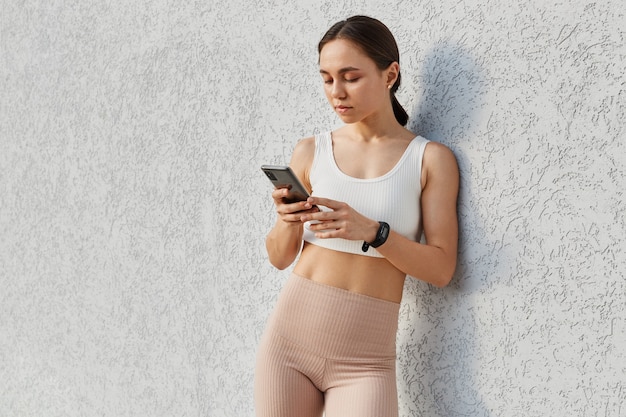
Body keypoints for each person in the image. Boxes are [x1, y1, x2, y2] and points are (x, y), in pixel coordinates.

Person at [255, 15, 459, 417]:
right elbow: (279, 257)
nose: (337, 92)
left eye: (351, 77)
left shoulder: (429, 159)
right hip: (287, 348)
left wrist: (374, 231)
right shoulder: (311, 150)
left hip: (365, 364)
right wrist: (286, 218)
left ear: (390, 74)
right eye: (327, 79)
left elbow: (441, 268)